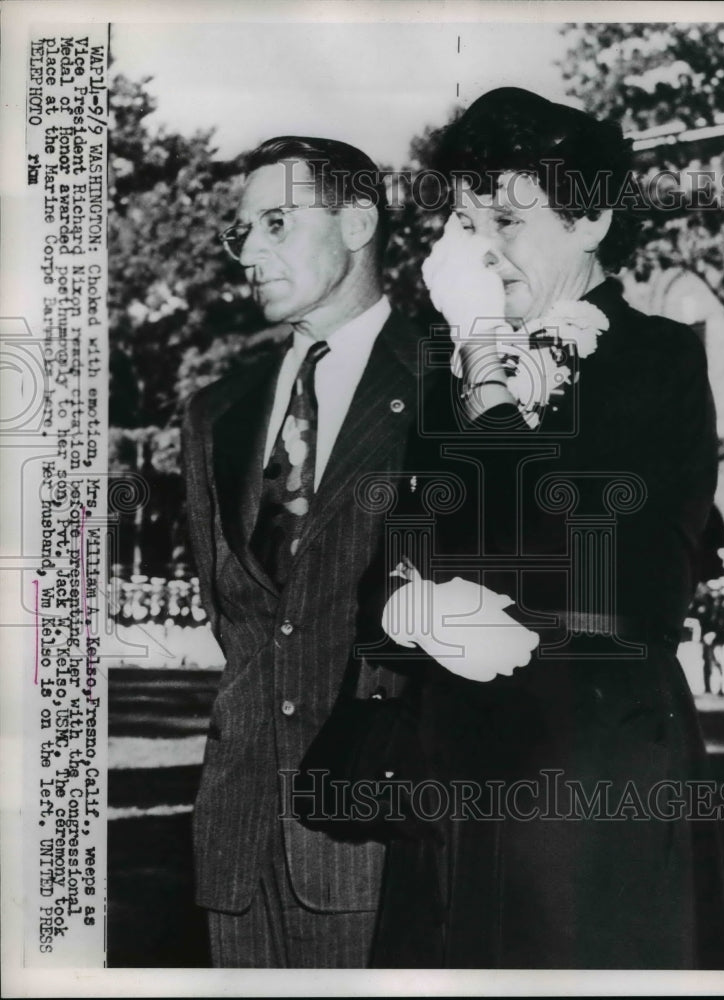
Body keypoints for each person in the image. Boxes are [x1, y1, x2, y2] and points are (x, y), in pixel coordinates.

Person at [361, 88, 724, 968]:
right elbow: (406, 552)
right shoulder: (446, 370)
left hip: (591, 767)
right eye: (464, 221)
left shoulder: (655, 359)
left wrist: (485, 364)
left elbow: (598, 570)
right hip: (455, 769)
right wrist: (409, 603)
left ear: (592, 218)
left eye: (505, 217)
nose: (480, 248)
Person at [181, 136, 428, 967]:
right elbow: (236, 614)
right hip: (236, 837)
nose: (249, 252)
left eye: (277, 223)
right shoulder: (215, 412)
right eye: (241, 231)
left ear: (358, 221)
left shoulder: (452, 383)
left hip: (383, 824)